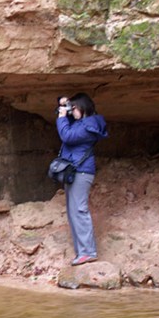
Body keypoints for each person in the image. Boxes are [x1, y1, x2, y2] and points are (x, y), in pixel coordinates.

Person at [56, 93, 108, 266]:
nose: (73, 112)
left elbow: (67, 136)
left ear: (83, 108)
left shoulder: (89, 126)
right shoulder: (82, 123)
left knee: (79, 209)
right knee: (72, 212)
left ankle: (88, 252)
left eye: (75, 108)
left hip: (82, 172)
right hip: (74, 171)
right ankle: (82, 252)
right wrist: (64, 104)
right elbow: (70, 129)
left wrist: (62, 117)